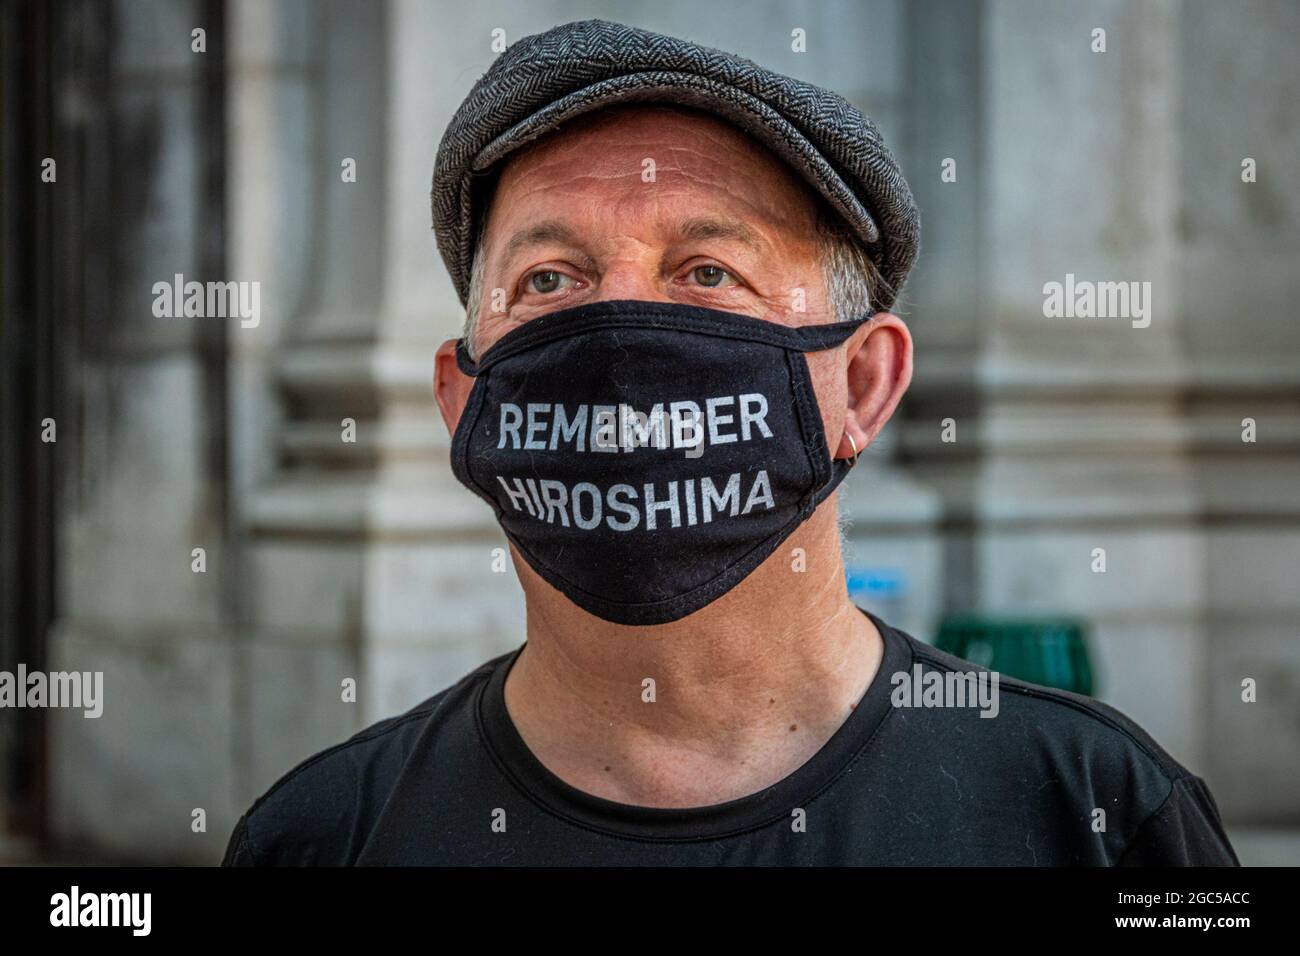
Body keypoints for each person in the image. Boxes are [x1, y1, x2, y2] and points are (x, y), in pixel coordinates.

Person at [223, 19, 1238, 866]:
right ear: (462, 399)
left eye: (707, 271)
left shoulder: (1101, 816)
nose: (619, 331)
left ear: (864, 383)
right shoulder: (320, 840)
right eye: (549, 279)